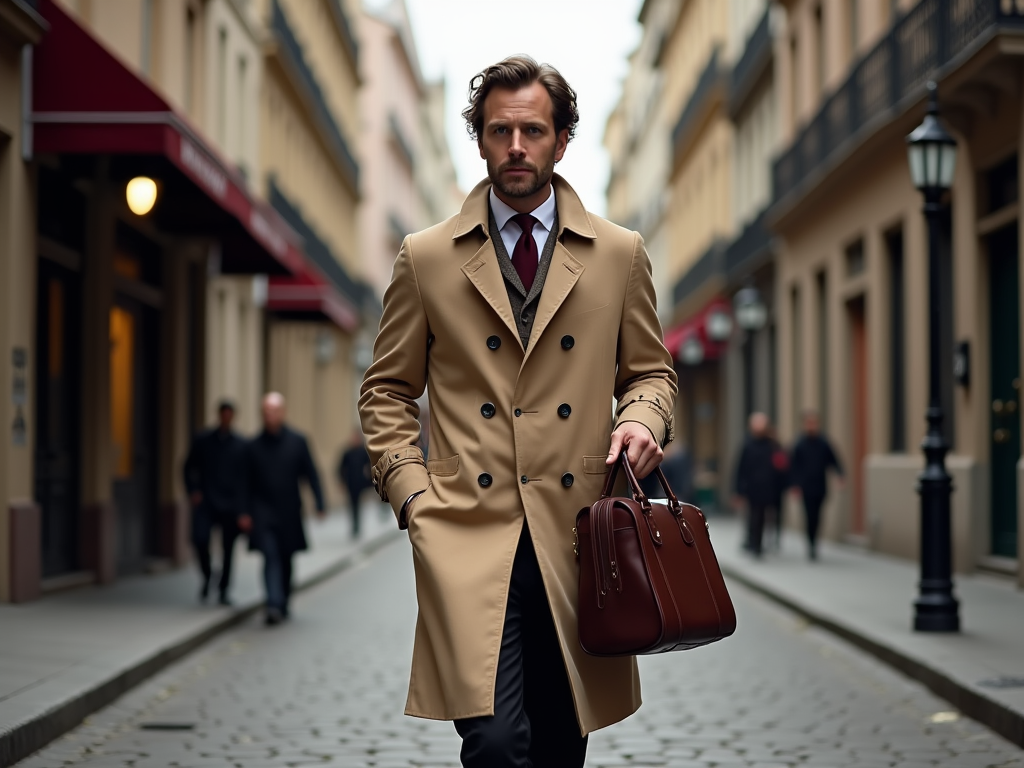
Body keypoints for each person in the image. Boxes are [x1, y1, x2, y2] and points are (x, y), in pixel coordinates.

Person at [359, 55, 677, 768]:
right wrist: (414, 497)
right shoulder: (427, 257)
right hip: (469, 536)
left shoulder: (619, 254)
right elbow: (385, 391)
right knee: (497, 744)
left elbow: (652, 372)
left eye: (533, 130)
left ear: (562, 140)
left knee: (563, 744)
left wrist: (643, 421)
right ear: (479, 140)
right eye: (499, 131)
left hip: (580, 541)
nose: (515, 148)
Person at [240, 392, 325, 625]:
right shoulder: (253, 446)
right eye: (266, 411)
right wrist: (244, 512)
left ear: (282, 412)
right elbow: (245, 482)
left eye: (274, 410)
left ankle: (283, 599)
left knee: (286, 558)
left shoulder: (297, 441)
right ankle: (273, 604)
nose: (270, 415)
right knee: (270, 555)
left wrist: (320, 502)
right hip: (262, 512)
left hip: (288, 511)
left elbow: (311, 473)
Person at [183, 401, 245, 605]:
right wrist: (193, 491)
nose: (226, 418)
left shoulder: (241, 444)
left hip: (231, 504)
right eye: (223, 414)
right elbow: (187, 467)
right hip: (207, 501)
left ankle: (224, 589)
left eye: (230, 415)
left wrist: (243, 506)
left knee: (228, 548)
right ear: (219, 415)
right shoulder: (203, 441)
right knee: (200, 540)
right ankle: (207, 575)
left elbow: (247, 477)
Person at [789, 410, 844, 560]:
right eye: (809, 423)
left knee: (818, 516)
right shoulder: (799, 443)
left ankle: (815, 542)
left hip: (820, 485)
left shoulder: (823, 442)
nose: (812, 426)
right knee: (809, 516)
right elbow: (794, 466)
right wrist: (794, 485)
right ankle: (810, 544)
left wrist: (840, 475)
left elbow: (833, 459)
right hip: (805, 487)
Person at [733, 412, 778, 557]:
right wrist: (738, 491)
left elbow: (781, 464)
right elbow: (740, 468)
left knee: (763, 516)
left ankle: (758, 543)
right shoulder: (748, 445)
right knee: (753, 515)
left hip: (768, 487)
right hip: (752, 488)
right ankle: (753, 543)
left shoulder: (772, 445)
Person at [337, 430, 373, 538]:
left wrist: (369, 479)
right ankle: (354, 526)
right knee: (352, 505)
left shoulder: (363, 452)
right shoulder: (347, 453)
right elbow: (341, 468)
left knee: (358, 505)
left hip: (360, 483)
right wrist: (342, 482)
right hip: (350, 483)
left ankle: (357, 526)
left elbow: (370, 465)